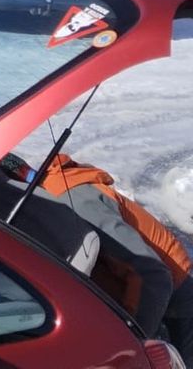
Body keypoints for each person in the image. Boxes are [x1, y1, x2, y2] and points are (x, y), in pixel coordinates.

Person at [22, 153, 193, 361]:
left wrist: (132, 344)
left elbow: (152, 276)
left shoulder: (72, 199)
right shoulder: (51, 197)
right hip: (142, 295)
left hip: (172, 292)